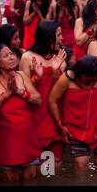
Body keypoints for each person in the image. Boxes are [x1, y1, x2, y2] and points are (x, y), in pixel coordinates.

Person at [0, 44, 42, 181]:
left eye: (11, 54)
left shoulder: (21, 75)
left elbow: (38, 99)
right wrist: (8, 93)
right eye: (6, 55)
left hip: (27, 136)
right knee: (11, 179)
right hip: (6, 140)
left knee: (31, 177)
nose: (12, 57)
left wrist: (20, 92)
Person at [48, 55, 97, 172]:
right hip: (75, 127)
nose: (93, 81)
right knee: (81, 165)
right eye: (89, 78)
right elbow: (52, 99)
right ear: (81, 74)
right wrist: (60, 125)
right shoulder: (68, 77)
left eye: (95, 78)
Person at [20, 21, 66, 169]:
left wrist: (57, 72)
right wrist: (37, 78)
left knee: (56, 163)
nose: (62, 38)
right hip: (36, 115)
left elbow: (62, 90)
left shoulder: (58, 57)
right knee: (39, 164)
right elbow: (23, 91)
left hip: (55, 114)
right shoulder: (27, 57)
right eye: (58, 35)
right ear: (48, 38)